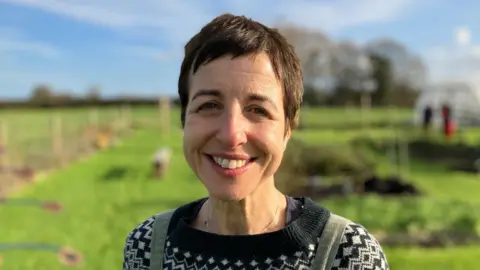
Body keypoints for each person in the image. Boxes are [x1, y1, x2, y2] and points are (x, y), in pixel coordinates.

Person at [123, 14, 389, 270]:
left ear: (288, 128)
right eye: (210, 105)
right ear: (184, 119)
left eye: (258, 110)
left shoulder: (347, 255)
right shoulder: (146, 248)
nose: (231, 134)